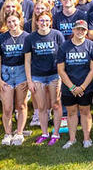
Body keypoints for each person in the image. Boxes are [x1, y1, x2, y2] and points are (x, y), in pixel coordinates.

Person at [24, 10, 66, 145]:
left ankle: (56, 133)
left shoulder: (57, 35)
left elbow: (62, 57)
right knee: (42, 107)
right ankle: (44, 133)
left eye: (47, 20)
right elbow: (27, 61)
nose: (44, 23)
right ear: (36, 22)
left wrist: (61, 76)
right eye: (41, 20)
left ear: (51, 22)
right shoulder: (30, 38)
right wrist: (29, 80)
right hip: (37, 76)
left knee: (56, 104)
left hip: (54, 75)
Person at [59, 20, 93, 149]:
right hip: (68, 86)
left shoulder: (92, 46)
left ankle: (86, 138)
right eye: (78, 29)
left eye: (83, 29)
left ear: (86, 31)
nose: (80, 32)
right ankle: (72, 139)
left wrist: (82, 87)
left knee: (85, 111)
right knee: (71, 113)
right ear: (73, 30)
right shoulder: (64, 46)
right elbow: (60, 69)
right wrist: (72, 87)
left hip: (85, 86)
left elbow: (92, 69)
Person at [0, 12, 31, 146]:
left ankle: (20, 132)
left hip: (21, 71)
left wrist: (28, 79)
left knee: (21, 105)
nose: (12, 24)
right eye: (9, 22)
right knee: (7, 107)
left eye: (14, 21)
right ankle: (8, 133)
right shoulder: (1, 38)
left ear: (20, 21)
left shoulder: (27, 37)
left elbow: (28, 60)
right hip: (6, 72)